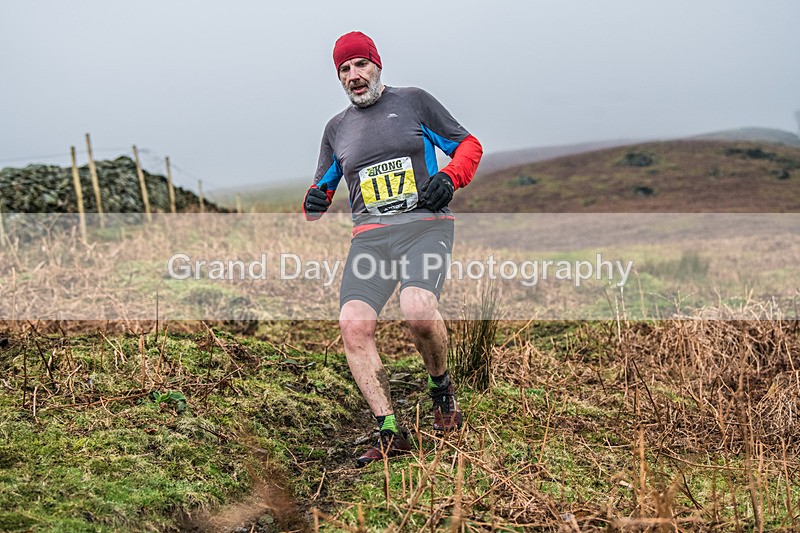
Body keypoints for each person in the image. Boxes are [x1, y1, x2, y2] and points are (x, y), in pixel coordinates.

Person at [303, 31, 483, 467]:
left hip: (424, 227)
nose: (353, 76)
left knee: (418, 309)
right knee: (352, 324)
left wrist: (450, 177)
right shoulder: (336, 130)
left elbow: (468, 145)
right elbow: (321, 189)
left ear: (377, 65)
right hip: (371, 239)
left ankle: (441, 389)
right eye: (344, 70)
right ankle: (388, 428)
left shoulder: (414, 101)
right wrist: (314, 199)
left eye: (360, 64)